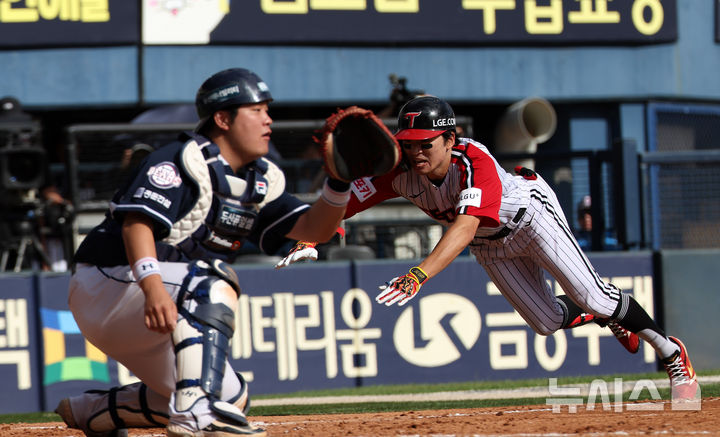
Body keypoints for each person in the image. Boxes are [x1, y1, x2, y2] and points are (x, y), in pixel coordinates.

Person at [280, 96, 698, 403]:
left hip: (531, 218)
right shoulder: (401, 172)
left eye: (426, 143)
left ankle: (668, 350)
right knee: (547, 321)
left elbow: (464, 226)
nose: (416, 151)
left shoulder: (472, 159)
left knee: (591, 292)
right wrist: (311, 237)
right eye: (409, 143)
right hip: (489, 245)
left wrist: (419, 273)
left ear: (449, 138)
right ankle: (600, 314)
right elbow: (347, 202)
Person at [54, 68, 352, 437]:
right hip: (108, 283)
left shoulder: (260, 178)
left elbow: (314, 230)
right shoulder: (181, 158)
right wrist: (152, 287)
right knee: (213, 283)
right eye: (256, 110)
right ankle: (194, 414)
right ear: (223, 118)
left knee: (232, 396)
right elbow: (137, 224)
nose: (268, 120)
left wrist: (339, 184)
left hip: (151, 301)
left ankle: (97, 411)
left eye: (267, 110)